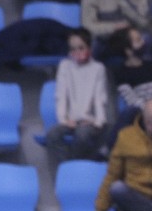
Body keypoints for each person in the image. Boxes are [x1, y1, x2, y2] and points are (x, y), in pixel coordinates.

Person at [45, 28, 110, 166]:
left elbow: (100, 98)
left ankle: (72, 168)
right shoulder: (64, 66)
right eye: (73, 49)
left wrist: (98, 122)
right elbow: (60, 95)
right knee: (51, 135)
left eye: (81, 47)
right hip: (70, 120)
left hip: (90, 121)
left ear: (89, 47)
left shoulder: (98, 68)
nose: (77, 52)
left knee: (82, 135)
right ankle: (68, 167)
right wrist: (63, 120)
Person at [81, 0, 152, 63]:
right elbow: (88, 26)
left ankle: (147, 74)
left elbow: (142, 20)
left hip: (128, 36)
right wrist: (114, 27)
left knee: (147, 39)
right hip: (105, 39)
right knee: (93, 46)